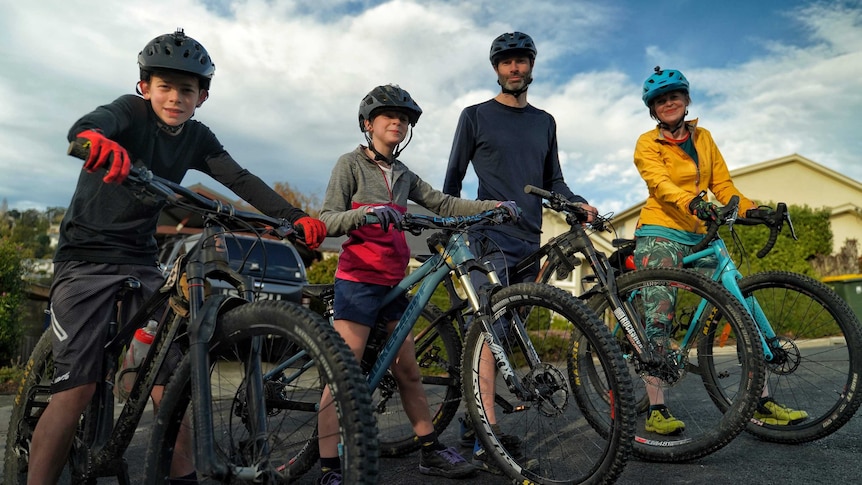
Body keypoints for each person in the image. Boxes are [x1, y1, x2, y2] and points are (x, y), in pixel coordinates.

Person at [27, 29, 327, 485]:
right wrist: (94, 139)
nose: (175, 97)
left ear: (201, 96)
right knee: (77, 389)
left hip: (142, 261)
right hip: (85, 260)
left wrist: (292, 216)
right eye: (165, 86)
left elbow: (239, 178)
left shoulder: (197, 137)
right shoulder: (129, 112)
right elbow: (91, 124)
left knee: (171, 385)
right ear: (144, 88)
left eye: (187, 89)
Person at [315, 84, 519, 484]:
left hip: (394, 282)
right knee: (344, 372)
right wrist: (366, 215)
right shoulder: (349, 164)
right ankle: (328, 467)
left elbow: (443, 204)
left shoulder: (404, 175)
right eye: (388, 116)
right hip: (357, 280)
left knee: (408, 371)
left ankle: (428, 449)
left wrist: (490, 206)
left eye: (404, 118)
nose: (398, 122)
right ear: (367, 124)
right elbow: (326, 219)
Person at [441, 31, 598, 474]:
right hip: (488, 238)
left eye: (521, 61)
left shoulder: (544, 121)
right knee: (489, 337)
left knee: (506, 339)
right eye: (506, 62)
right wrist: (449, 235)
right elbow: (451, 182)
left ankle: (474, 428)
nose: (514, 68)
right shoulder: (474, 116)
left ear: (531, 66)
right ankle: (485, 443)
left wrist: (575, 201)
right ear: (496, 69)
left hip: (530, 242)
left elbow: (555, 182)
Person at [632, 65, 809, 435]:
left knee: (743, 306)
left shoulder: (704, 138)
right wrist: (693, 202)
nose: (669, 103)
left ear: (685, 100)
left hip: (702, 231)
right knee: (659, 311)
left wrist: (752, 209)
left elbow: (724, 186)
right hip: (660, 229)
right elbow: (660, 184)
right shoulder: (647, 143)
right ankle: (657, 408)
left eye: (674, 96)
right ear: (653, 109)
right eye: (661, 100)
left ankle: (761, 401)